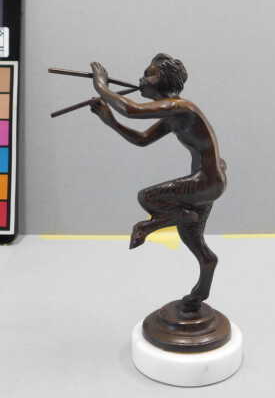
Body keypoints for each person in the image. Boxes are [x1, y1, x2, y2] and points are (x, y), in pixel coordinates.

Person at [89, 54, 227, 310]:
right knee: (191, 238)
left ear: (165, 80)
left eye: (149, 74)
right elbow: (142, 139)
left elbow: (131, 109)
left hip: (206, 181)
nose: (142, 79)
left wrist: (101, 85)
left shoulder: (181, 107)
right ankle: (202, 285)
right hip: (207, 182)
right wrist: (111, 122)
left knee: (148, 198)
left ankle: (165, 221)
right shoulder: (173, 114)